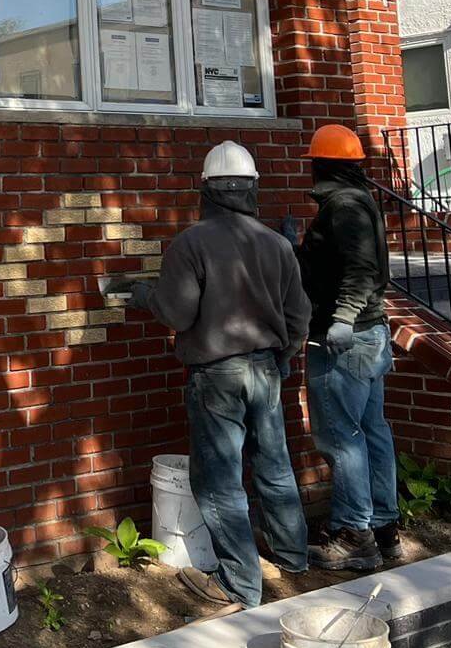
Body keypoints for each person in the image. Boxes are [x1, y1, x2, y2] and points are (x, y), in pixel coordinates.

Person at [106, 141, 311, 609]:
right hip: (265, 371)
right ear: (252, 189)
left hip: (217, 375)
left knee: (219, 482)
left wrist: (141, 294)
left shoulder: (191, 243)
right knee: (275, 466)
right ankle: (293, 556)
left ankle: (240, 584)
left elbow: (178, 314)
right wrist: (284, 355)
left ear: (206, 190)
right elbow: (299, 314)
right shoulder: (277, 244)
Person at [296, 123, 399, 571]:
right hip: (371, 337)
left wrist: (340, 318)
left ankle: (354, 535)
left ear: (323, 166)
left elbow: (359, 270)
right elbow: (343, 263)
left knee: (343, 438)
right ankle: (384, 530)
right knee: (372, 431)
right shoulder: (360, 202)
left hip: (348, 341)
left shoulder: (344, 207)